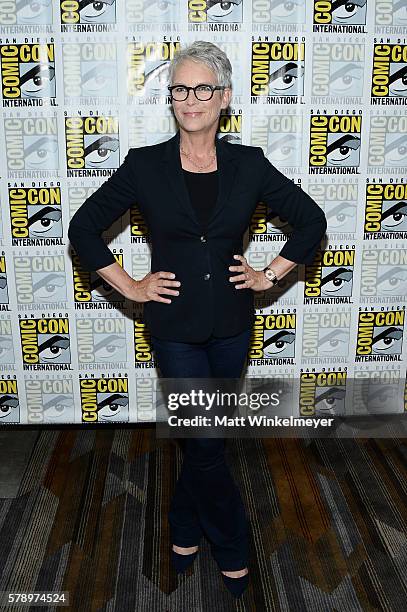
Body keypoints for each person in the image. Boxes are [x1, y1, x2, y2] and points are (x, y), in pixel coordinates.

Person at [68, 40, 327, 598]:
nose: (191, 99)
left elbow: (310, 221)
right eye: (181, 89)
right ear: (171, 98)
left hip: (233, 328)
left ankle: (184, 526)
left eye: (203, 89)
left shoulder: (249, 165)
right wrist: (132, 285)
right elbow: (83, 229)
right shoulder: (145, 166)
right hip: (174, 330)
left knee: (202, 438)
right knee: (207, 441)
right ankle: (233, 545)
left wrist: (271, 274)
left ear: (224, 97)